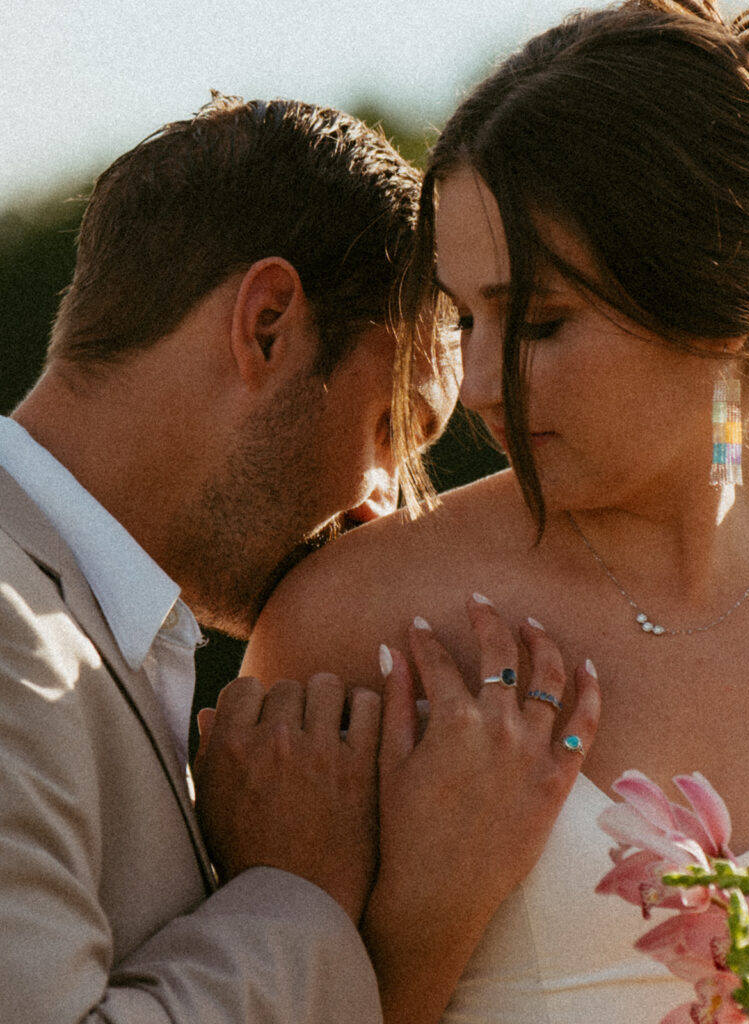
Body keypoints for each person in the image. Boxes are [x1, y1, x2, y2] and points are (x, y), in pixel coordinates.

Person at [0, 92, 599, 1024]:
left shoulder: (102, 631)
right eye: (394, 426)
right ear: (270, 323)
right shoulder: (11, 629)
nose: (382, 506)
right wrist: (293, 890)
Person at [243, 2, 749, 1021]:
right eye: (464, 316)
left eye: (539, 321)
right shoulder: (362, 622)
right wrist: (422, 921)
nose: (480, 382)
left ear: (708, 296)